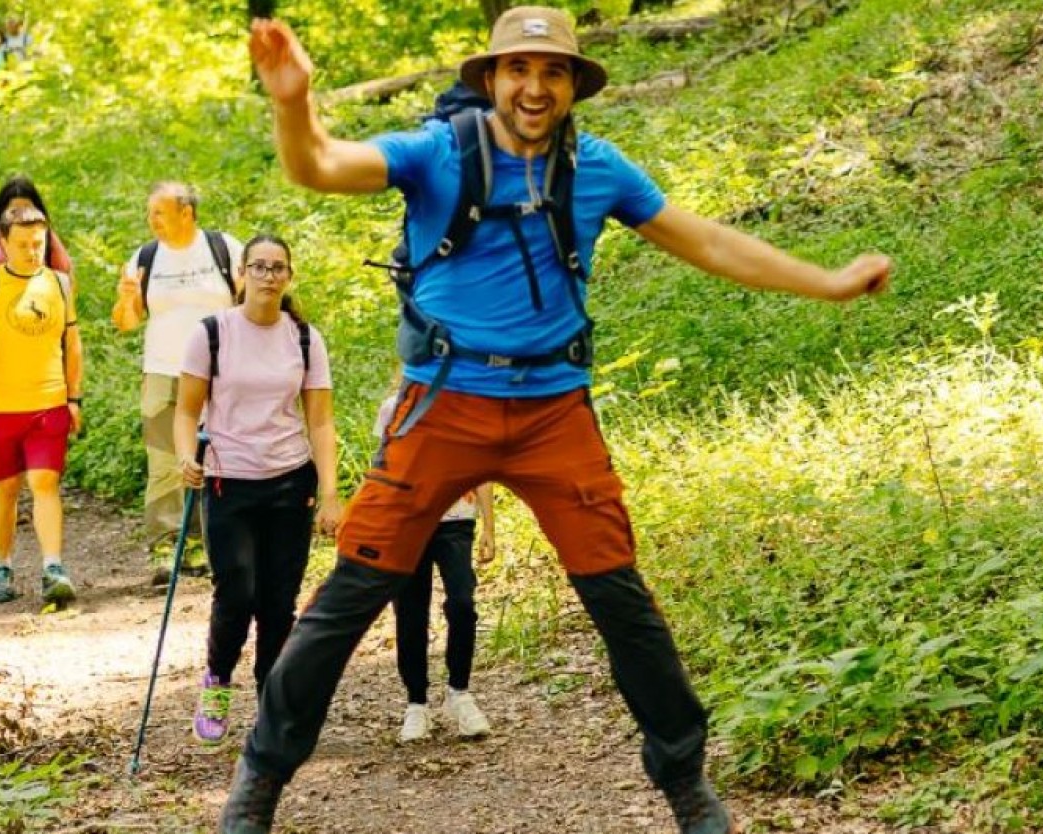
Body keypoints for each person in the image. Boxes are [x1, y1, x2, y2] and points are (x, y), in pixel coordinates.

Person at [222, 9, 894, 834]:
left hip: (552, 415)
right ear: (491, 79)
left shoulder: (597, 169)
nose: (534, 87)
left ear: (573, 86)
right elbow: (320, 165)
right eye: (518, 70)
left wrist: (826, 281)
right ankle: (261, 779)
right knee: (353, 592)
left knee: (620, 597)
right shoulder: (439, 154)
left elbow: (710, 243)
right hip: (442, 408)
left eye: (554, 72)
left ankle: (685, 781)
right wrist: (293, 102)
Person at [173, 234, 339, 749]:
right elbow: (185, 410)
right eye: (259, 266)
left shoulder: (305, 338)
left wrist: (330, 491)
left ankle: (272, 702)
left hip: (290, 479)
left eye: (278, 268)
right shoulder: (212, 334)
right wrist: (185, 455)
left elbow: (321, 421)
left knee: (278, 600)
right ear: (241, 274)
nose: (269, 276)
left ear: (289, 276)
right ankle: (217, 682)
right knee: (237, 591)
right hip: (229, 479)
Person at [0, 205, 83, 606]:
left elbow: (72, 345)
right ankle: (1, 565)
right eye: (24, 244)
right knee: (5, 488)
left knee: (45, 482)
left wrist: (74, 396)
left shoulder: (59, 284)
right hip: (1, 405)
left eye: (39, 243)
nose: (32, 251)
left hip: (48, 401)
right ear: (4, 243)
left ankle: (53, 567)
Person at [113, 182, 242, 581]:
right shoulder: (144, 258)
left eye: (159, 212)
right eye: (150, 213)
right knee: (164, 462)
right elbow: (126, 322)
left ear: (186, 213)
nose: (152, 221)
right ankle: (167, 548)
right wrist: (126, 298)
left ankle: (208, 544)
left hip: (218, 373)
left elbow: (248, 307)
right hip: (162, 371)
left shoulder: (225, 249)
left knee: (217, 458)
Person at [372, 382, 496, 743]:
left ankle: (459, 693)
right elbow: (384, 467)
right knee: (411, 611)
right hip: (408, 522)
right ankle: (416, 704)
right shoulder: (393, 407)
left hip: (456, 518)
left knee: (462, 602)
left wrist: (489, 526)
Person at [0, 175, 77, 527]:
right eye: (13, 211)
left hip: (39, 341)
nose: (21, 216)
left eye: (27, 208)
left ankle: (27, 500)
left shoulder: (47, 242)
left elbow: (66, 279)